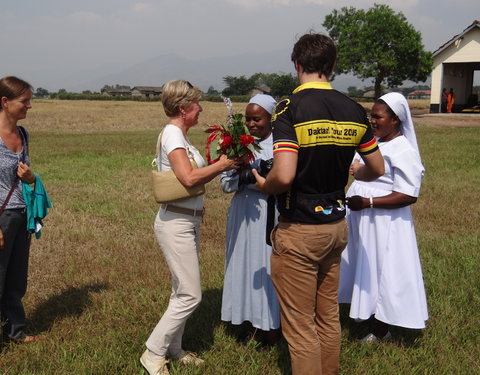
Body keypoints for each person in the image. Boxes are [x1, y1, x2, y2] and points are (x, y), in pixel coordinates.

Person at [253, 33, 384, 375]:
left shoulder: (289, 108)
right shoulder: (354, 109)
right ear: (332, 67)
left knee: (300, 329)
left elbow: (283, 175)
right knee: (327, 317)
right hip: (336, 227)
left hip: (299, 229)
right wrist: (354, 177)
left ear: (296, 64)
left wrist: (265, 184)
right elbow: (378, 167)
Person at [141, 80, 240, 375]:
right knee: (190, 295)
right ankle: (153, 352)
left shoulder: (181, 136)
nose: (200, 109)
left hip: (186, 220)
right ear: (184, 109)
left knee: (179, 290)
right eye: (196, 103)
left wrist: (220, 162)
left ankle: (174, 348)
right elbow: (187, 178)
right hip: (176, 223)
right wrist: (222, 165)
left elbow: (195, 177)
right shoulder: (173, 135)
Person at [338, 92, 428, 342]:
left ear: (396, 120)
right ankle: (365, 314)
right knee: (364, 266)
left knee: (383, 270)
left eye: (378, 117)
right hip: (363, 217)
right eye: (371, 116)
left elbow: (408, 195)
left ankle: (381, 329)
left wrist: (368, 202)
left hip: (385, 222)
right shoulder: (375, 143)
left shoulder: (403, 149)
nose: (372, 121)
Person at [220, 94, 281, 350]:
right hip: (243, 212)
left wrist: (266, 180)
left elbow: (285, 184)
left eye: (257, 119)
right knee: (243, 264)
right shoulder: (239, 145)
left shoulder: (282, 145)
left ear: (271, 118)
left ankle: (271, 330)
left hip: (268, 214)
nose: (252, 124)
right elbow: (225, 183)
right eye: (248, 119)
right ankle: (248, 321)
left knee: (265, 267)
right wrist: (245, 176)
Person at [0, 76, 43, 344]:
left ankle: (15, 332)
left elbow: (26, 176)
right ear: (5, 102)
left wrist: (30, 179)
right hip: (1, 217)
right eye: (24, 101)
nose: (29, 106)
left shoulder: (23, 135)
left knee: (16, 279)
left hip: (21, 214)